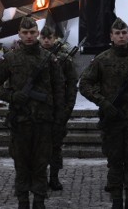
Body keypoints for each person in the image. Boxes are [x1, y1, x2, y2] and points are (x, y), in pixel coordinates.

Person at [80, 17, 128, 209]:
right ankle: (116, 200)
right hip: (112, 120)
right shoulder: (102, 60)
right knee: (114, 161)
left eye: (124, 33)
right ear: (111, 36)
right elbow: (85, 84)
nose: (121, 36)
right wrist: (103, 102)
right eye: (117, 34)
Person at [0, 17, 64, 209]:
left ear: (38, 33)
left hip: (43, 122)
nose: (29, 36)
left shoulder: (49, 59)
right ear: (19, 34)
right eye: (25, 33)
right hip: (20, 121)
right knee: (21, 165)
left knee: (41, 165)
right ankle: (23, 201)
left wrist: (58, 120)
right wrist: (11, 96)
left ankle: (39, 201)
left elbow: (59, 91)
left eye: (32, 33)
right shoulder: (10, 58)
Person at [39, 24, 77, 191]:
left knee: (55, 147)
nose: (47, 41)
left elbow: (71, 85)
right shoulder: (36, 56)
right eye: (44, 38)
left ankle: (54, 177)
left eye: (50, 38)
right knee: (38, 146)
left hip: (57, 110)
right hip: (39, 110)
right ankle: (39, 176)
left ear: (55, 39)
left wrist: (67, 108)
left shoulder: (63, 59)